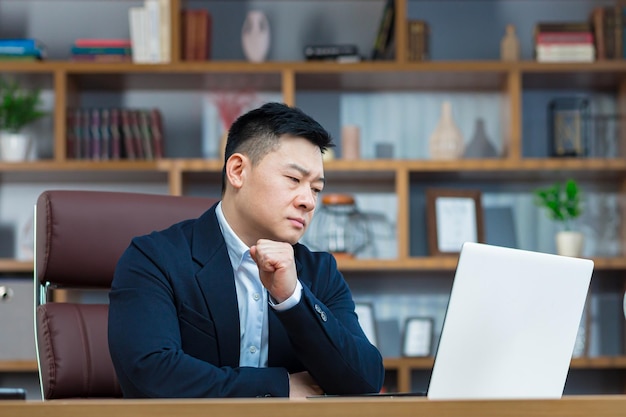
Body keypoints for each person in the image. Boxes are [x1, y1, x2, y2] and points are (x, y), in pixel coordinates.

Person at [108, 102, 385, 398]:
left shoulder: (319, 272)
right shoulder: (154, 258)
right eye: (293, 179)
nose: (309, 201)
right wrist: (277, 387)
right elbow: (148, 373)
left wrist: (292, 299)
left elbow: (365, 380)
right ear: (238, 170)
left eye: (316, 188)